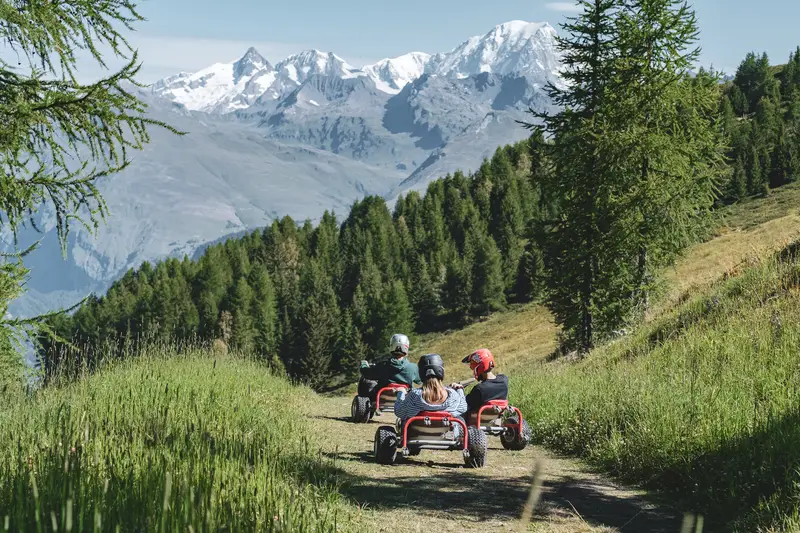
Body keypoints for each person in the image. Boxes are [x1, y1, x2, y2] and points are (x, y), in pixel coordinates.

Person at [394, 353, 468, 439]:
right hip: (447, 435)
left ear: (421, 373)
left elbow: (399, 412)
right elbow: (463, 408)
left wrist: (401, 393)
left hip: (417, 435)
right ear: (441, 370)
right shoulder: (452, 395)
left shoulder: (414, 395)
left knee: (405, 418)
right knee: (459, 419)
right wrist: (459, 390)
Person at [358, 333, 421, 401]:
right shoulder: (413, 367)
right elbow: (420, 381)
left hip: (382, 397)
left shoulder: (383, 365)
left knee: (368, 384)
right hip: (406, 399)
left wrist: (364, 365)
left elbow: (367, 374)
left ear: (392, 346)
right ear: (406, 347)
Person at [449, 348, 508, 414]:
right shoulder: (504, 380)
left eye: (473, 368)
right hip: (496, 419)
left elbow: (463, 405)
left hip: (476, 421)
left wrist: (459, 389)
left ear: (479, 367)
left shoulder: (480, 389)